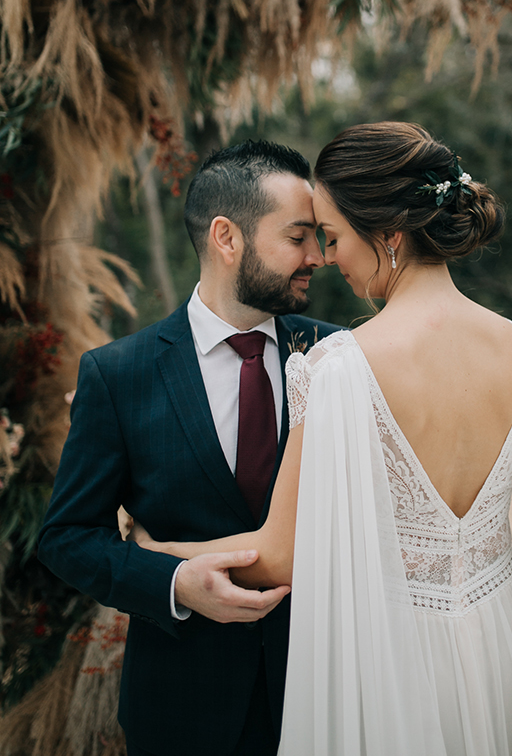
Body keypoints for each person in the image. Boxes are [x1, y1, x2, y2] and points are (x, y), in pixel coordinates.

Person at [131, 122, 512, 756]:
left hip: (394, 667)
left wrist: (157, 548)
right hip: (502, 648)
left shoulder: (339, 367)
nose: (326, 258)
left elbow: (279, 557)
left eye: (331, 238)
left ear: (386, 236)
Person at [38, 140, 341, 756]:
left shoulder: (340, 355)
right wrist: (173, 582)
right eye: (298, 237)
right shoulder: (117, 374)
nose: (318, 256)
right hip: (181, 708)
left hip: (328, 692)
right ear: (227, 238)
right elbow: (68, 536)